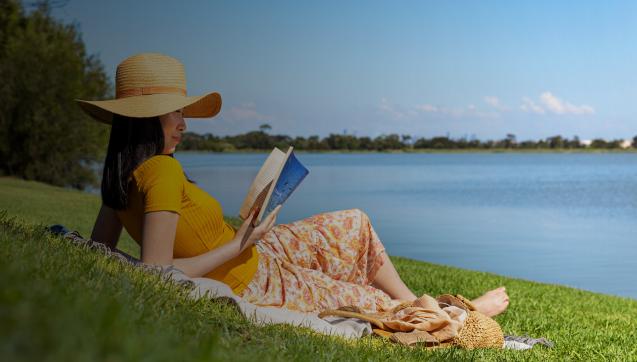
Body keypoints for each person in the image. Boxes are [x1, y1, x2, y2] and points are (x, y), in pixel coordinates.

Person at [81, 53, 509, 316]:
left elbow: (100, 247)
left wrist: (247, 237)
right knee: (368, 302)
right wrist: (240, 243)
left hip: (254, 252)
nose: (184, 124)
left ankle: (421, 300)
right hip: (255, 275)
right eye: (175, 113)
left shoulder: (122, 176)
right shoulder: (162, 171)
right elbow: (157, 274)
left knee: (353, 226)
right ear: (144, 118)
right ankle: (463, 316)